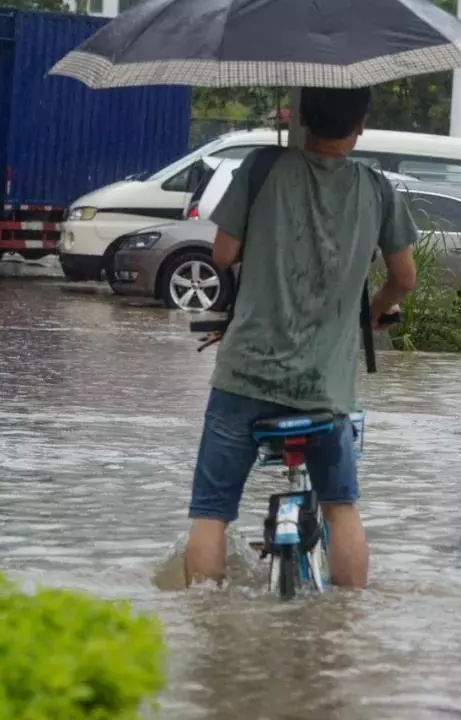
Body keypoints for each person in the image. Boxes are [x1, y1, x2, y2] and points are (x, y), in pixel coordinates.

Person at [184, 87, 418, 588]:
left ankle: (203, 620)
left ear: (302, 117)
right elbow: (404, 278)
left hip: (244, 377)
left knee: (211, 512)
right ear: (361, 123)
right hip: (323, 389)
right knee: (341, 507)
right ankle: (345, 621)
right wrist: (374, 312)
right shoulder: (377, 189)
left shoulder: (261, 167)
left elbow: (222, 254)